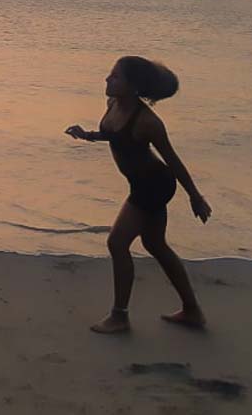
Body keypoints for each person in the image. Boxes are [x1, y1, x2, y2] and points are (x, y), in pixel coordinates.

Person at [66, 56, 212, 334]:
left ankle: (120, 317)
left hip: (153, 185)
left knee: (117, 243)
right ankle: (192, 311)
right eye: (110, 74)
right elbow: (112, 135)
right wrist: (87, 136)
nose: (107, 79)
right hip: (140, 184)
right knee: (155, 245)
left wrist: (195, 196)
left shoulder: (148, 122)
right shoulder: (113, 104)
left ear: (133, 86)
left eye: (115, 76)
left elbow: (173, 160)